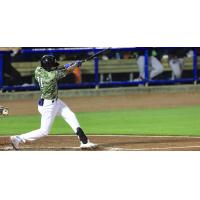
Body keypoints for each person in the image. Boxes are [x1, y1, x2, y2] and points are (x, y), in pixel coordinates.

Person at [10, 55, 97, 150]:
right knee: (44, 131)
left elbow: (56, 69)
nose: (54, 66)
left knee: (70, 115)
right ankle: (18, 138)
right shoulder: (52, 76)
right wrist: (75, 65)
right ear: (48, 66)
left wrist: (69, 65)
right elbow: (65, 71)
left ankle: (84, 141)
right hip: (49, 105)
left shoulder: (38, 70)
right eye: (52, 65)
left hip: (53, 101)